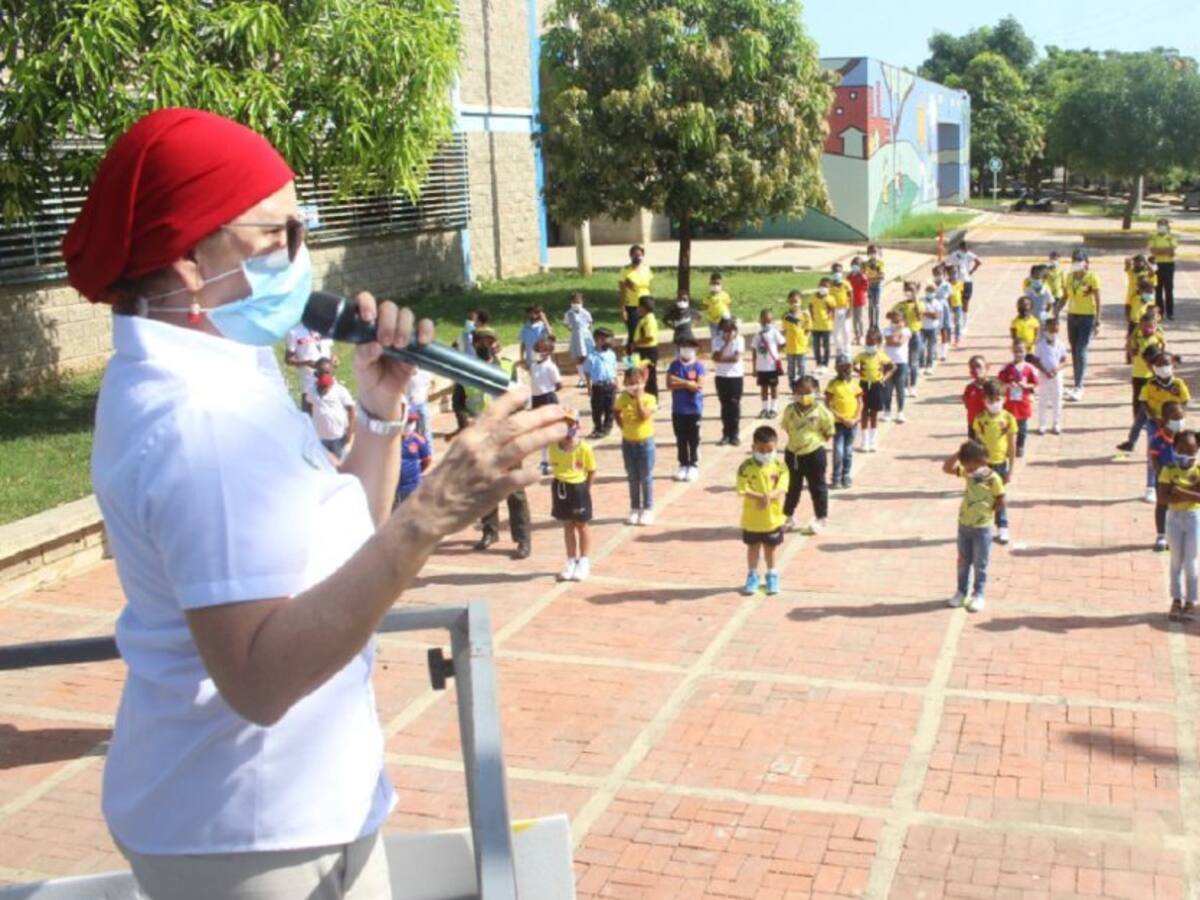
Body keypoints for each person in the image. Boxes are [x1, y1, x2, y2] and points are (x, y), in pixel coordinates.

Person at [68, 108, 567, 900]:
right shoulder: (198, 420)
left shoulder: (224, 363)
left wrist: (379, 411)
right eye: (277, 236)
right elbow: (259, 680)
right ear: (189, 259)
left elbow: (337, 547)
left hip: (303, 805)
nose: (301, 259)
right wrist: (433, 511)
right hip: (249, 832)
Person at [466, 329, 534, 559]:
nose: (484, 345)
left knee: (514, 489)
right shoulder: (466, 369)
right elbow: (460, 401)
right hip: (482, 438)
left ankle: (523, 539)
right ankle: (489, 531)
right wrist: (464, 418)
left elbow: (521, 400)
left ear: (494, 343)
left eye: (488, 341)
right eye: (480, 342)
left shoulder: (506, 367)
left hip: (506, 437)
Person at [942, 440, 1005, 613]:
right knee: (963, 561)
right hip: (964, 525)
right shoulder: (968, 474)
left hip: (983, 528)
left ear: (982, 461)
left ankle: (978, 594)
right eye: (965, 465)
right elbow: (946, 468)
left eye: (970, 465)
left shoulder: (994, 479)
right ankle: (961, 592)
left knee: (980, 563)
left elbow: (1001, 499)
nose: (967, 468)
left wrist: (987, 512)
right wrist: (959, 453)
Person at [736, 424, 790, 596]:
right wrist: (760, 497)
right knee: (753, 547)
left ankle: (772, 575)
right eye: (761, 449)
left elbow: (782, 487)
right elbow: (742, 488)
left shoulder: (780, 466)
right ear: (753, 447)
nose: (765, 453)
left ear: (776, 447)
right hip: (752, 519)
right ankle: (752, 575)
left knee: (770, 548)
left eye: (769, 450)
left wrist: (769, 496)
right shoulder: (745, 467)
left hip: (772, 519)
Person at [781, 375, 833, 534]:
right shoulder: (790, 410)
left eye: (808, 392)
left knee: (817, 487)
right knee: (792, 487)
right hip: (793, 454)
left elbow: (828, 432)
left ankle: (821, 518)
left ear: (815, 390)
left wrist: (812, 442)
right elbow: (787, 428)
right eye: (800, 392)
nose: (804, 396)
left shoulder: (821, 410)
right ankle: (788, 516)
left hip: (814, 454)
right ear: (795, 392)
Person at [548, 413, 596, 582]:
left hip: (578, 488)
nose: (567, 428)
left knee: (581, 525)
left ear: (577, 425)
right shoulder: (553, 447)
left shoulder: (584, 448)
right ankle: (571, 561)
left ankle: (584, 561)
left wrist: (585, 489)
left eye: (570, 424)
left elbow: (591, 471)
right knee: (567, 524)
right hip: (561, 487)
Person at [1158, 429, 1200, 619]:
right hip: (1173, 519)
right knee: (1176, 560)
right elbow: (1162, 498)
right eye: (1181, 449)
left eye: (1191, 450)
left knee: (1191, 562)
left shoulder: (1198, 470)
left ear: (1197, 449)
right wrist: (1191, 492)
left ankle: (1191, 601)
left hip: (1194, 519)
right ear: (1174, 448)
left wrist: (1178, 491)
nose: (1186, 454)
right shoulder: (1168, 469)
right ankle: (1176, 600)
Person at [971, 379, 1017, 544]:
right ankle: (981, 528)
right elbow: (976, 444)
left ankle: (1003, 528)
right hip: (983, 465)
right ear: (984, 400)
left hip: (1000, 464)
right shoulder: (979, 419)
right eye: (991, 400)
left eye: (998, 399)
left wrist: (1010, 470)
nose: (994, 403)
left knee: (999, 496)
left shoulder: (1009, 419)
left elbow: (1012, 446)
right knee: (981, 497)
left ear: (1004, 398)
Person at [1117, 309, 1167, 454]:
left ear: (1155, 325)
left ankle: (1136, 439)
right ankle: (1133, 438)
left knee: (1146, 409)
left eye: (1150, 326)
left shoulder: (1157, 336)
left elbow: (1164, 348)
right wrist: (1131, 351)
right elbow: (1129, 345)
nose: (1147, 329)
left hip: (1151, 377)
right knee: (1137, 404)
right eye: (1145, 326)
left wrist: (1160, 357)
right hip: (1137, 374)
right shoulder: (1137, 335)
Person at [614, 363, 657, 524]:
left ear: (643, 382)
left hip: (645, 444)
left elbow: (644, 415)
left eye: (636, 382)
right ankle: (634, 508)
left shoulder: (650, 398)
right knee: (632, 477)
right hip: (628, 443)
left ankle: (648, 508)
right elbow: (616, 411)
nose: (633, 386)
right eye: (629, 383)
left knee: (645, 477)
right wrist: (622, 426)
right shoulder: (622, 398)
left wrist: (638, 398)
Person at [667, 327, 705, 481]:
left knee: (693, 438)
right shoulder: (674, 365)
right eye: (683, 346)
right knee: (681, 438)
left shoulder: (698, 366)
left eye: (689, 346)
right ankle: (683, 464)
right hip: (678, 409)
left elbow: (698, 386)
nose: (686, 349)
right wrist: (687, 383)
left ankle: (693, 464)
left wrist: (681, 382)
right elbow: (669, 383)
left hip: (694, 409)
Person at [1064, 249, 1101, 401]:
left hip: (1087, 317)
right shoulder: (1069, 277)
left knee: (1081, 350)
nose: (1076, 262)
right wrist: (1056, 310)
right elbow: (1065, 296)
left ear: (1086, 262)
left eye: (1079, 260)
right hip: (1072, 316)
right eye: (1074, 259)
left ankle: (1080, 386)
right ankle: (1075, 383)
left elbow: (1098, 299)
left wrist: (1098, 320)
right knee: (1074, 350)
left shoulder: (1092, 277)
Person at [1150, 403, 1186, 552]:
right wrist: (1162, 476)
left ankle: (1179, 534)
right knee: (1162, 505)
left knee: (1180, 505)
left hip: (1182, 479)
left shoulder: (1184, 437)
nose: (1179, 422)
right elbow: (1154, 459)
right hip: (1164, 480)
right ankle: (1161, 535)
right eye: (1175, 418)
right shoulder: (1158, 438)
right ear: (1165, 419)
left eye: (1181, 418)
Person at [306, 357, 356, 460]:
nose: (324, 375)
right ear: (316, 374)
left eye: (327, 372)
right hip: (320, 438)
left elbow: (351, 409)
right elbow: (309, 407)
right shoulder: (312, 391)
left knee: (339, 465)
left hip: (338, 438)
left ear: (332, 373)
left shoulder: (340, 390)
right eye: (321, 373)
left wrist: (349, 433)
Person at [826, 354, 862, 490]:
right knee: (839, 451)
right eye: (842, 367)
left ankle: (846, 475)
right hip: (839, 423)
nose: (845, 370)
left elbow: (860, 402)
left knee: (848, 451)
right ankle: (836, 477)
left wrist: (856, 418)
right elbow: (828, 403)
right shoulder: (833, 384)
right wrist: (841, 418)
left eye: (847, 367)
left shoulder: (854, 384)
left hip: (852, 423)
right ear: (836, 368)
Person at [998, 341, 1038, 458]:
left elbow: (1035, 383)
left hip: (1023, 403)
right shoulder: (1007, 368)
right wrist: (1007, 385)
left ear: (1026, 351)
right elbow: (1000, 382)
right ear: (1012, 351)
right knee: (1007, 426)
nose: (1018, 354)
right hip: (1009, 404)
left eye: (1021, 351)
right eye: (1016, 351)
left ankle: (1020, 446)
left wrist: (1026, 386)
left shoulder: (1029, 368)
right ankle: (1007, 447)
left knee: (1022, 428)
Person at [530, 338, 563, 475]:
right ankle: (544, 460)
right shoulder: (533, 365)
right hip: (536, 399)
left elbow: (558, 384)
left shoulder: (550, 366)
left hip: (548, 397)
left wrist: (549, 392)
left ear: (549, 352)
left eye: (543, 349)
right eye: (538, 349)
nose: (540, 352)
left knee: (552, 430)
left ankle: (557, 459)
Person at [1029, 317, 1067, 435]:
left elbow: (1064, 360)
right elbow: (1035, 361)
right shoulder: (1040, 345)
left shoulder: (1061, 344)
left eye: (1056, 330)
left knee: (1057, 400)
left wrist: (1057, 369)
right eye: (1051, 330)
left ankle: (1056, 424)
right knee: (1043, 400)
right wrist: (1045, 371)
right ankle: (1042, 425)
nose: (1053, 332)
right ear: (1046, 329)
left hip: (1057, 376)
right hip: (1044, 375)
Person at [855, 327, 890, 452]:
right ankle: (864, 441)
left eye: (872, 343)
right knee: (864, 411)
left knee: (874, 413)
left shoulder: (881, 355)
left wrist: (884, 377)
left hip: (876, 385)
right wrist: (859, 371)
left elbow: (892, 367)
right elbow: (852, 364)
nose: (869, 345)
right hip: (864, 384)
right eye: (867, 342)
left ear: (878, 343)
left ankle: (873, 441)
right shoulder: (862, 355)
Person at [453, 309, 489, 431]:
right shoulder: (463, 335)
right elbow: (454, 347)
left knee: (477, 404)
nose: (468, 322)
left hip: (476, 373)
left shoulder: (483, 336)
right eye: (467, 319)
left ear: (480, 322)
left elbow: (487, 356)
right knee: (457, 402)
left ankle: (480, 428)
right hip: (463, 373)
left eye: (472, 320)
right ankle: (463, 428)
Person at [285, 324, 333, 414]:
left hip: (327, 381)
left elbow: (329, 350)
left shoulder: (325, 327)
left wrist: (333, 359)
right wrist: (306, 363)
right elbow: (288, 359)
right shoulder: (294, 332)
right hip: (309, 382)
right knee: (309, 416)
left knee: (330, 413)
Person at [712, 317, 745, 446]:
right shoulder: (717, 340)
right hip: (721, 376)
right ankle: (726, 434)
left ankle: (735, 434)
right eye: (725, 330)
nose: (728, 333)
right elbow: (716, 357)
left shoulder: (739, 340)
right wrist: (726, 344)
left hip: (735, 376)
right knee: (724, 405)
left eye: (730, 330)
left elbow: (735, 358)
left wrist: (722, 359)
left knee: (734, 405)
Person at [582, 327, 618, 438]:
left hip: (610, 385)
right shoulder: (591, 356)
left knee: (610, 408)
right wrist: (589, 387)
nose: (609, 341)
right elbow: (587, 372)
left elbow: (614, 369)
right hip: (598, 386)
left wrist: (616, 382)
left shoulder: (611, 354)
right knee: (597, 409)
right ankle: (598, 427)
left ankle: (607, 428)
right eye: (606, 339)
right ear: (598, 340)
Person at [891, 283, 924, 397]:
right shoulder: (900, 305)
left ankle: (913, 386)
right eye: (907, 290)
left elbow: (919, 316)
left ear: (916, 291)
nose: (909, 292)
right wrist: (897, 318)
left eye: (911, 290)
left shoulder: (919, 304)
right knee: (904, 362)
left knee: (913, 362)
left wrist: (915, 301)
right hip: (903, 334)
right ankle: (904, 386)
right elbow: (890, 315)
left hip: (914, 335)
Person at [395, 412, 433, 506]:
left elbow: (427, 459)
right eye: (407, 422)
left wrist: (416, 472)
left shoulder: (418, 440)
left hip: (412, 486)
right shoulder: (387, 440)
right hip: (392, 488)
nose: (409, 425)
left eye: (412, 422)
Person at [753, 308, 784, 418]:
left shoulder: (774, 332)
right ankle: (764, 408)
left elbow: (782, 342)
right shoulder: (757, 335)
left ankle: (773, 408)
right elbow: (754, 351)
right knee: (763, 388)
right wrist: (754, 368)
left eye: (769, 321)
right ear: (760, 320)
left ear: (772, 321)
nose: (766, 323)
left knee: (773, 387)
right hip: (761, 367)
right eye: (764, 321)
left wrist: (776, 353)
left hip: (772, 366)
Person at [619, 244, 653, 346]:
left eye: (639, 255)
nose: (637, 257)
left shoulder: (646, 269)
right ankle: (631, 353)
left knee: (645, 331)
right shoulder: (625, 271)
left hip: (646, 306)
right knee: (633, 332)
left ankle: (643, 352)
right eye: (635, 255)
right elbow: (622, 291)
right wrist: (623, 309)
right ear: (630, 255)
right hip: (632, 306)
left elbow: (649, 287)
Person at [881, 309, 911, 424]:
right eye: (894, 317)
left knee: (900, 388)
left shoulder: (906, 330)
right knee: (887, 388)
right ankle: (887, 411)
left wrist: (896, 336)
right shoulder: (887, 329)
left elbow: (899, 342)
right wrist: (897, 330)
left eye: (898, 317)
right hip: (888, 362)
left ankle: (900, 412)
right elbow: (890, 341)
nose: (896, 319)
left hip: (901, 362)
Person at [946, 239, 982, 330]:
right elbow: (946, 264)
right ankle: (957, 323)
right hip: (958, 282)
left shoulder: (968, 254)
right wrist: (950, 275)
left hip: (966, 281)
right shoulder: (956, 254)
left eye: (967, 247)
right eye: (965, 247)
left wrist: (971, 271)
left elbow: (978, 262)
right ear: (961, 247)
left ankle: (964, 324)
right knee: (957, 302)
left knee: (964, 302)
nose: (966, 249)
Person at [632, 295, 660, 397]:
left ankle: (652, 398)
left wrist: (636, 343)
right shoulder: (643, 319)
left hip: (648, 351)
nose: (637, 309)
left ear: (644, 307)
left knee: (649, 376)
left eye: (639, 306)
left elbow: (650, 337)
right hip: (642, 350)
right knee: (641, 374)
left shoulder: (649, 319)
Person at [782, 290, 812, 387]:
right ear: (788, 302)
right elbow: (784, 329)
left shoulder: (805, 315)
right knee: (791, 367)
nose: (794, 304)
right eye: (791, 302)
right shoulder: (786, 316)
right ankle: (792, 385)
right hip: (790, 346)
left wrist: (806, 339)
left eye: (795, 301)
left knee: (802, 366)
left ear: (800, 301)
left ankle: (801, 385)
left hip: (801, 346)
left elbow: (808, 329)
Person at [564, 292, 594, 388]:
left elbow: (590, 324)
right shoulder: (568, 313)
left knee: (588, 357)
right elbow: (567, 324)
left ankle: (590, 376)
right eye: (574, 301)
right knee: (578, 358)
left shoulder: (586, 313)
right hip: (576, 338)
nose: (576, 303)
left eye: (578, 301)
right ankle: (582, 378)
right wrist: (574, 330)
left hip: (586, 337)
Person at [1150, 217, 1178, 320]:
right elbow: (1153, 251)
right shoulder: (1153, 237)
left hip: (1169, 265)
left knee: (1169, 289)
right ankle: (1159, 313)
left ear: (1167, 226)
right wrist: (1166, 251)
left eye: (1164, 225)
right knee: (1158, 290)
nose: (1161, 227)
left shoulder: (1171, 237)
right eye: (1160, 225)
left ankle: (1170, 313)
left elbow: (1172, 250)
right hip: (1157, 265)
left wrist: (1160, 251)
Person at [808, 280, 835, 371]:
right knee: (816, 346)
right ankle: (818, 363)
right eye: (822, 286)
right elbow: (810, 306)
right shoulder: (813, 297)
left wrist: (830, 318)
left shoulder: (830, 298)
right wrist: (812, 316)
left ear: (829, 288)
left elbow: (833, 309)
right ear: (818, 286)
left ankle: (825, 364)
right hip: (815, 326)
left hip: (826, 326)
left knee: (826, 346)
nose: (823, 288)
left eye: (826, 286)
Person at [962, 356, 990, 439]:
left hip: (989, 425)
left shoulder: (992, 387)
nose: (976, 370)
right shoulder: (969, 388)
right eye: (972, 367)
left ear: (987, 367)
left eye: (978, 366)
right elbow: (967, 405)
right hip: (973, 424)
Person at [518, 305, 552, 371]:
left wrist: (545, 320)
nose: (532, 315)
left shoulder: (543, 326)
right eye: (530, 313)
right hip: (530, 361)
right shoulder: (525, 327)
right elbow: (523, 344)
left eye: (535, 313)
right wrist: (521, 358)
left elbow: (550, 335)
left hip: (543, 360)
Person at [830, 261, 853, 357]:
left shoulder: (846, 283)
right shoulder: (829, 284)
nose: (837, 273)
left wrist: (850, 309)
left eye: (839, 271)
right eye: (835, 271)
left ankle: (847, 349)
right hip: (834, 310)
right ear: (832, 272)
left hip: (845, 309)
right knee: (836, 331)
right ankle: (839, 349)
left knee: (846, 330)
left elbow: (851, 296)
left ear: (842, 272)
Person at [405, 367, 433, 444]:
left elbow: (429, 385)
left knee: (426, 430)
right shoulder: (406, 374)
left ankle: (428, 448)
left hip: (422, 404)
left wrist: (425, 397)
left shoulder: (425, 373)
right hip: (410, 406)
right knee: (412, 430)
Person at [703, 272, 732, 343]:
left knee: (723, 338)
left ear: (721, 284)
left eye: (718, 283)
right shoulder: (707, 296)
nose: (715, 285)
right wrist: (709, 315)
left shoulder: (725, 295)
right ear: (710, 283)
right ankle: (715, 349)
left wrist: (726, 317)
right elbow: (705, 307)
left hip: (723, 321)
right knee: (714, 339)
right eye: (713, 283)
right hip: (712, 322)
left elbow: (728, 306)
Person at [919, 283, 941, 374]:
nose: (930, 293)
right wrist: (930, 313)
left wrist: (924, 313)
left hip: (933, 328)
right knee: (921, 347)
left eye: (932, 291)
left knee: (930, 348)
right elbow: (918, 313)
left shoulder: (937, 302)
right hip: (922, 328)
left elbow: (936, 316)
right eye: (928, 291)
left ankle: (929, 365)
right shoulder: (921, 301)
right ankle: (921, 365)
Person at [848, 256, 869, 344]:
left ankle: (861, 336)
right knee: (854, 320)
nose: (855, 267)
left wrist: (862, 277)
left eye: (857, 265)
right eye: (853, 265)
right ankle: (856, 335)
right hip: (852, 300)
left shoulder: (862, 276)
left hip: (860, 300)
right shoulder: (849, 276)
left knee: (859, 319)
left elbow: (866, 287)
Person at [863, 244, 885, 328]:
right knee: (871, 305)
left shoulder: (880, 263)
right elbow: (864, 277)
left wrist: (870, 279)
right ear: (868, 253)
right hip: (869, 287)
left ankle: (877, 324)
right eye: (871, 252)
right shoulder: (865, 264)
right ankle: (871, 323)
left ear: (878, 252)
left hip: (877, 286)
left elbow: (882, 277)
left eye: (874, 252)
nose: (873, 254)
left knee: (877, 305)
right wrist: (875, 278)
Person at [946, 266, 965, 347]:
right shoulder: (946, 284)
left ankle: (957, 339)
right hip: (948, 306)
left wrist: (962, 304)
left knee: (957, 322)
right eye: (952, 272)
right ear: (948, 274)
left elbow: (961, 294)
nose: (954, 274)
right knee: (948, 323)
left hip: (958, 305)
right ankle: (948, 340)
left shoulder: (960, 283)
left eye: (956, 272)